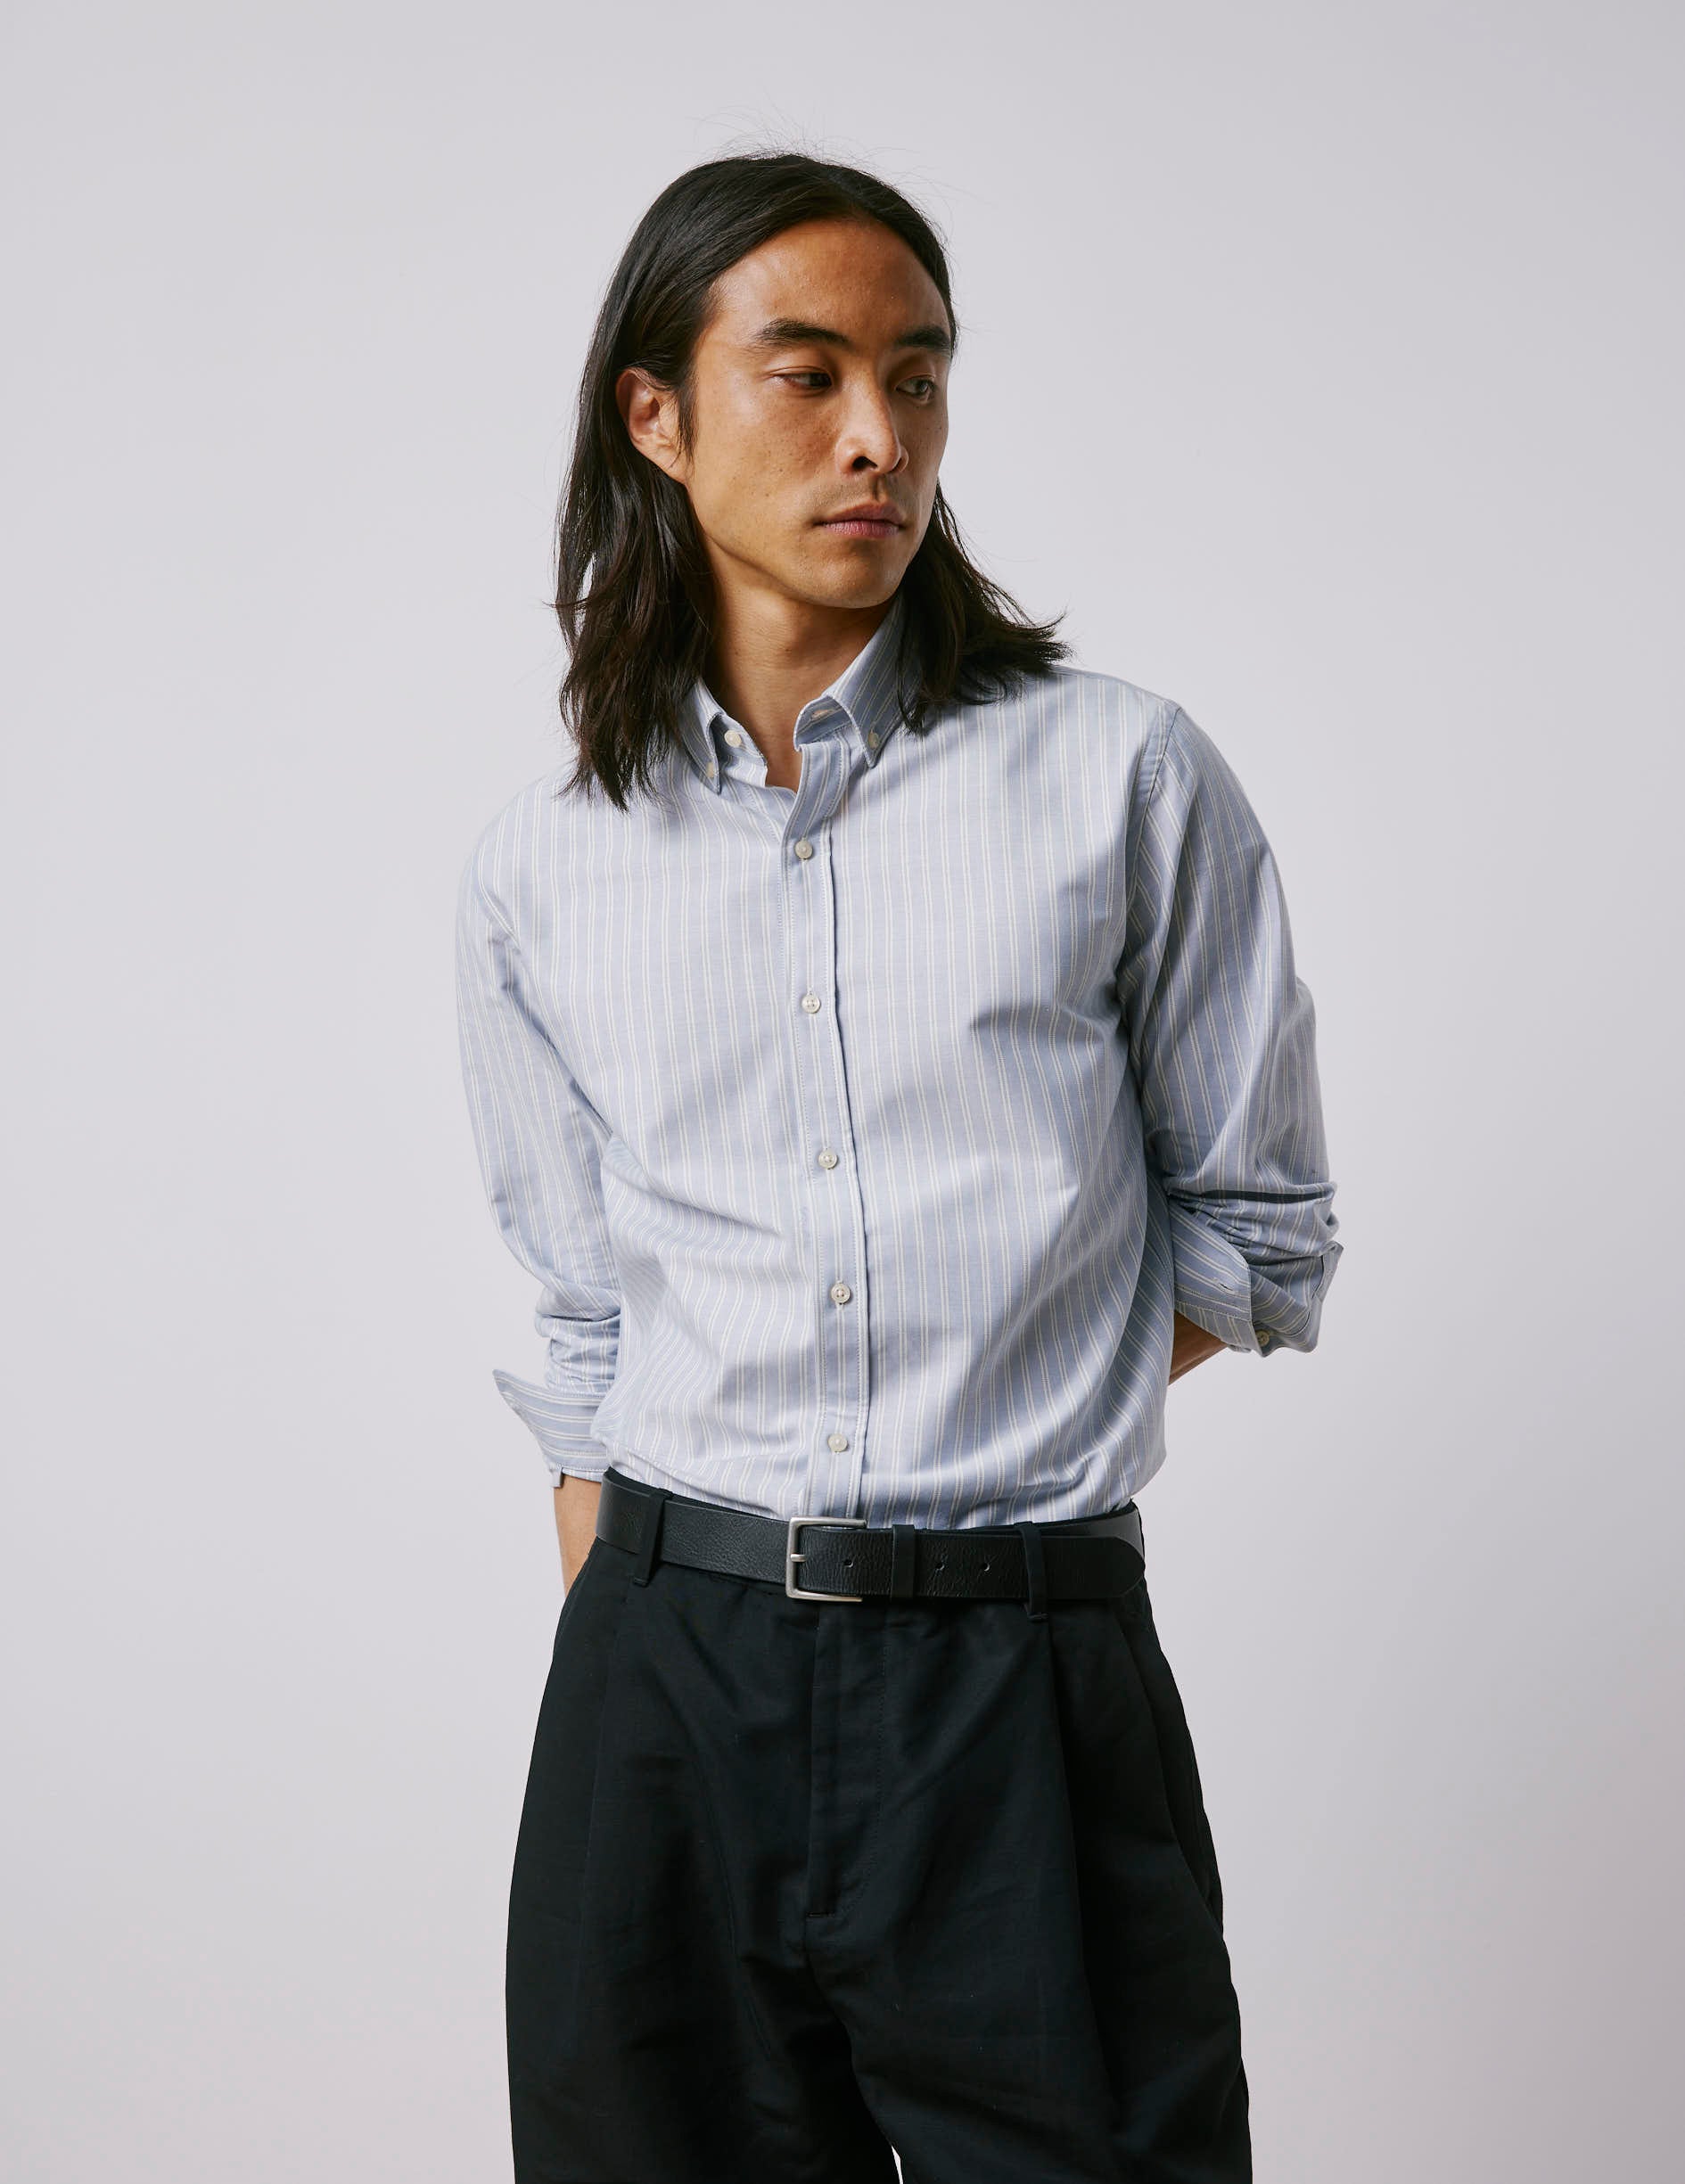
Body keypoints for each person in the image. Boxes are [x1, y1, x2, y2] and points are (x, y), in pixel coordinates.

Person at [455, 149, 1342, 2184]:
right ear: (656, 415)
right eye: (812, 374)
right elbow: (588, 1323)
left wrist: (993, 1410)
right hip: (664, 1696)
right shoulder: (543, 868)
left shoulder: (1120, 775)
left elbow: (1261, 1228)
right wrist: (647, 1659)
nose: (881, 436)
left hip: (1018, 1680)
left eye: (919, 377)